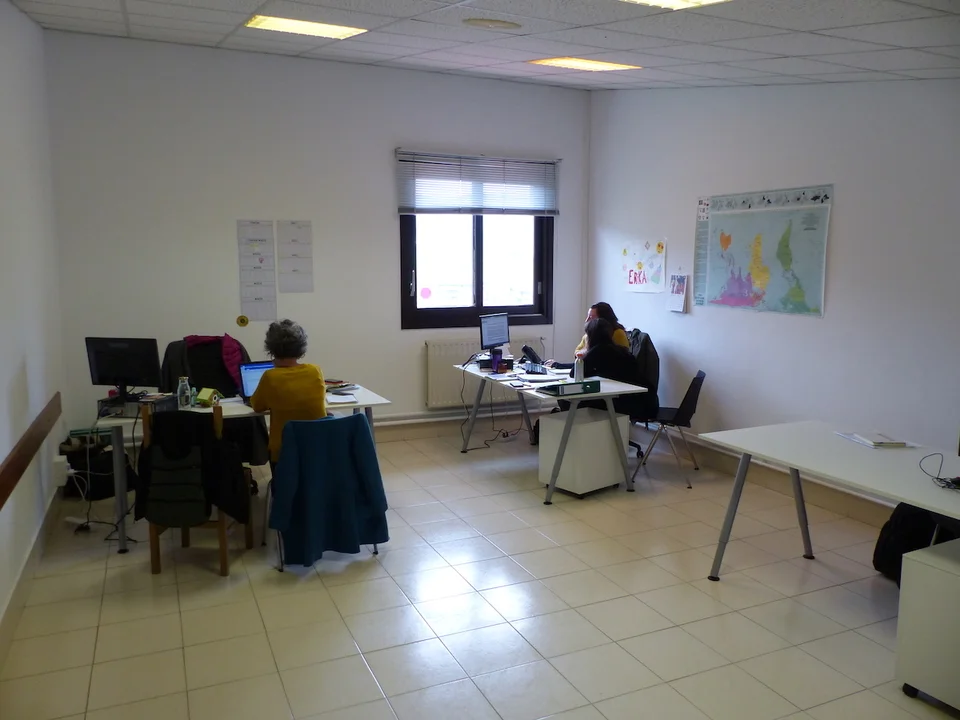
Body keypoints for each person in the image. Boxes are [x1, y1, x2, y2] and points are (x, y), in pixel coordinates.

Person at [251, 319, 328, 470]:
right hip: (316, 447)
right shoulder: (315, 371)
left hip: (284, 451)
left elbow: (257, 406)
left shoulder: (270, 377)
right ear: (301, 347)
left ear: (271, 348)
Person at [545, 302, 630, 368]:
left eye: (591, 317)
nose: (586, 320)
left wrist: (558, 365)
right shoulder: (589, 335)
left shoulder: (617, 333)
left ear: (602, 320)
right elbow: (577, 354)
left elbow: (594, 361)